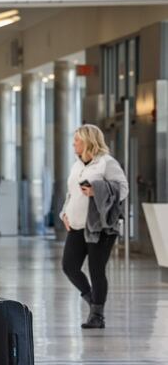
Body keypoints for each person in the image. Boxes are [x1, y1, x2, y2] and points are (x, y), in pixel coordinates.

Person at [60, 124, 128, 329]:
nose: (74, 144)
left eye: (78, 140)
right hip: (76, 225)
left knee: (96, 270)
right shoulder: (77, 165)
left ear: (89, 141)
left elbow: (123, 189)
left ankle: (97, 316)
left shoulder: (106, 163)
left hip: (100, 228)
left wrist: (96, 191)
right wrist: (64, 213)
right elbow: (71, 193)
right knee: (69, 266)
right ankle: (93, 301)